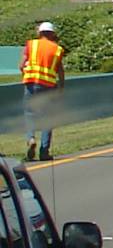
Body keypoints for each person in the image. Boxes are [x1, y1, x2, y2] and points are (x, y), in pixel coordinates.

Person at [19, 22, 64, 163]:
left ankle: (31, 138)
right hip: (48, 85)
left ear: (40, 33)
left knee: (30, 113)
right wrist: (61, 86)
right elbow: (60, 70)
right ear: (52, 34)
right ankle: (44, 151)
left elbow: (21, 65)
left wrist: (26, 73)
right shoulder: (57, 49)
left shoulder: (31, 44)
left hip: (31, 82)